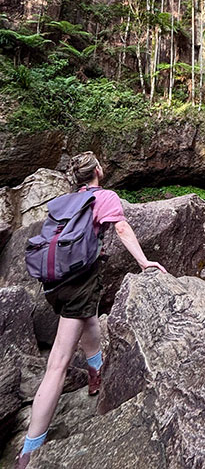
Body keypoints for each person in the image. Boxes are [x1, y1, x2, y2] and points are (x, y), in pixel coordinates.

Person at [15, 151, 167, 469]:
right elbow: (123, 230)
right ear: (97, 170)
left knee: (88, 316)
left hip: (54, 280)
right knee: (57, 364)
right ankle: (29, 450)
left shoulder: (67, 201)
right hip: (79, 280)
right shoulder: (104, 197)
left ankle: (96, 371)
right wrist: (144, 262)